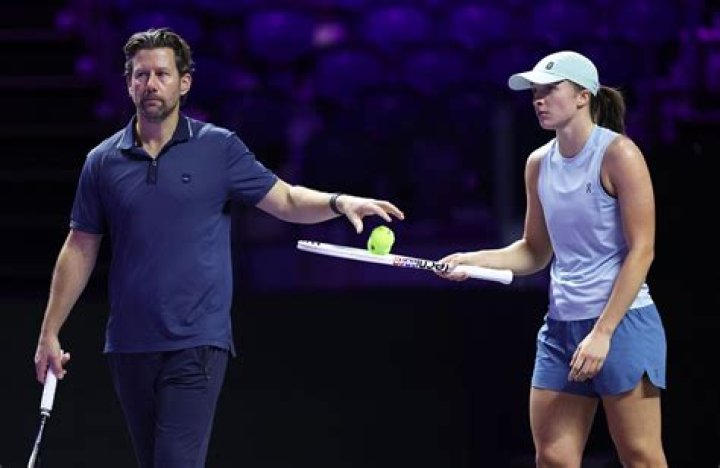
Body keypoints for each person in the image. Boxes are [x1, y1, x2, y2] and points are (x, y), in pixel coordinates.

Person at [33, 27, 404, 468]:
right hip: (129, 345)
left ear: (184, 82)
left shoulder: (218, 148)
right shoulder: (101, 162)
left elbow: (285, 199)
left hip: (196, 341)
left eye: (162, 74)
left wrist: (339, 202)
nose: (150, 84)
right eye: (140, 75)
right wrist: (49, 331)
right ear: (128, 83)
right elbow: (80, 247)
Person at [437, 50, 667, 467]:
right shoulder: (538, 163)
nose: (538, 100)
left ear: (583, 96)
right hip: (561, 329)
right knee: (554, 458)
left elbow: (642, 250)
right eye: (534, 92)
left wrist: (603, 333)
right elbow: (534, 251)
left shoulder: (620, 154)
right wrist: (472, 260)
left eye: (549, 90)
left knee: (641, 457)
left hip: (623, 323)